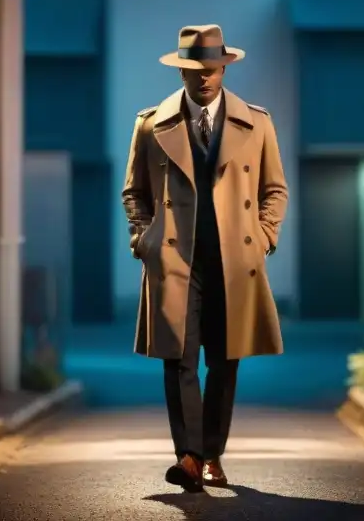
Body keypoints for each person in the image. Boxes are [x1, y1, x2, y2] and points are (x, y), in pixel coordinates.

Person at [121, 24, 288, 492]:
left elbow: (275, 188)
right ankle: (190, 458)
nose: (204, 79)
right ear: (182, 73)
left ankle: (211, 452)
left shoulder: (257, 122)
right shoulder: (151, 124)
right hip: (176, 260)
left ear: (223, 68)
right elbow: (134, 193)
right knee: (177, 359)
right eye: (194, 70)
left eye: (212, 69)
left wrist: (264, 236)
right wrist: (144, 239)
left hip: (233, 259)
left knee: (225, 358)